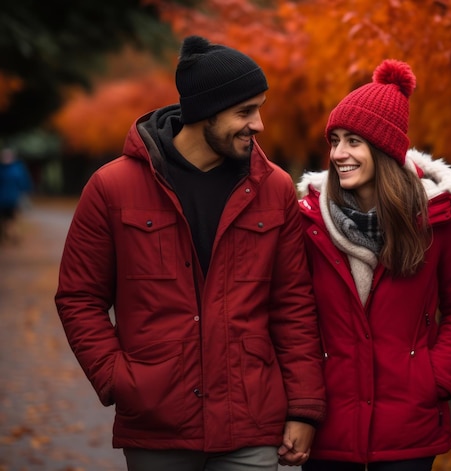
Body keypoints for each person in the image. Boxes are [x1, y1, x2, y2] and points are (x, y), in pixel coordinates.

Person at [55, 35, 326, 471]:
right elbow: (78, 298)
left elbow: (293, 304)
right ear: (204, 113)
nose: (258, 125)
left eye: (259, 109)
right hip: (157, 425)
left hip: (251, 420)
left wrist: (304, 407)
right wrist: (119, 380)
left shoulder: (273, 188)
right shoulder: (112, 187)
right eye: (244, 112)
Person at [297, 59, 451, 471]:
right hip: (329, 428)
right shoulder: (307, 222)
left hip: (409, 430)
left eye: (353, 142)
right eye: (335, 140)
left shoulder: (436, 219)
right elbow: (292, 314)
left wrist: (434, 377)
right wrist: (302, 402)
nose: (338, 154)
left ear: (383, 149)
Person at [0, 146, 33, 243]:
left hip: (13, 199)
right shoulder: (5, 169)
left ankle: (13, 235)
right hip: (2, 200)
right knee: (4, 220)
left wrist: (25, 194)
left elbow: (24, 183)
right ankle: (9, 235)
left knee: (12, 219)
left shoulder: (17, 169)